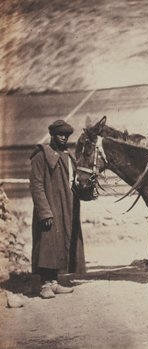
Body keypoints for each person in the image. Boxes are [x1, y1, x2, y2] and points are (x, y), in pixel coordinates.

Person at [30, 120, 86, 299]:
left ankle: (54, 282)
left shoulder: (68, 157)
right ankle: (45, 285)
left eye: (66, 135)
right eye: (60, 134)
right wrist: (44, 211)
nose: (63, 137)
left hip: (66, 207)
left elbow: (73, 183)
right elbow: (36, 185)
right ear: (52, 135)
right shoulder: (41, 156)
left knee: (59, 243)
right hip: (50, 205)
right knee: (47, 243)